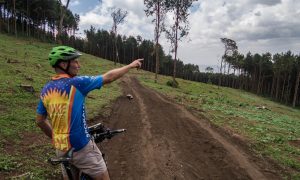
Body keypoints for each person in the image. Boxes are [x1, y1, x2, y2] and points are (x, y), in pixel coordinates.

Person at [36, 45, 142, 180]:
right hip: (81, 148)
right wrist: (130, 65)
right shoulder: (77, 83)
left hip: (61, 150)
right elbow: (108, 77)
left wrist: (56, 138)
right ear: (64, 64)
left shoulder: (46, 89)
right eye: (75, 61)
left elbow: (40, 120)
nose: (78, 65)